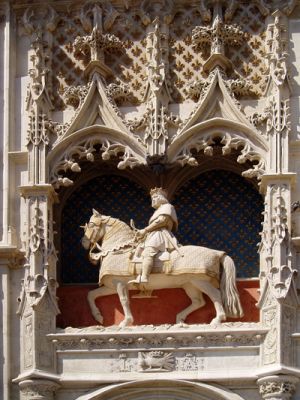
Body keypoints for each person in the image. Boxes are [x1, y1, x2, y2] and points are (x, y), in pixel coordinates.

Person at [129, 187, 180, 284]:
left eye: (155, 197)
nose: (153, 200)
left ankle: (144, 277)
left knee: (148, 252)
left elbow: (161, 221)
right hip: (152, 234)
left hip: (160, 234)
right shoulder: (158, 210)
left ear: (161, 198)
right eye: (152, 198)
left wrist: (145, 230)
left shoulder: (168, 207)